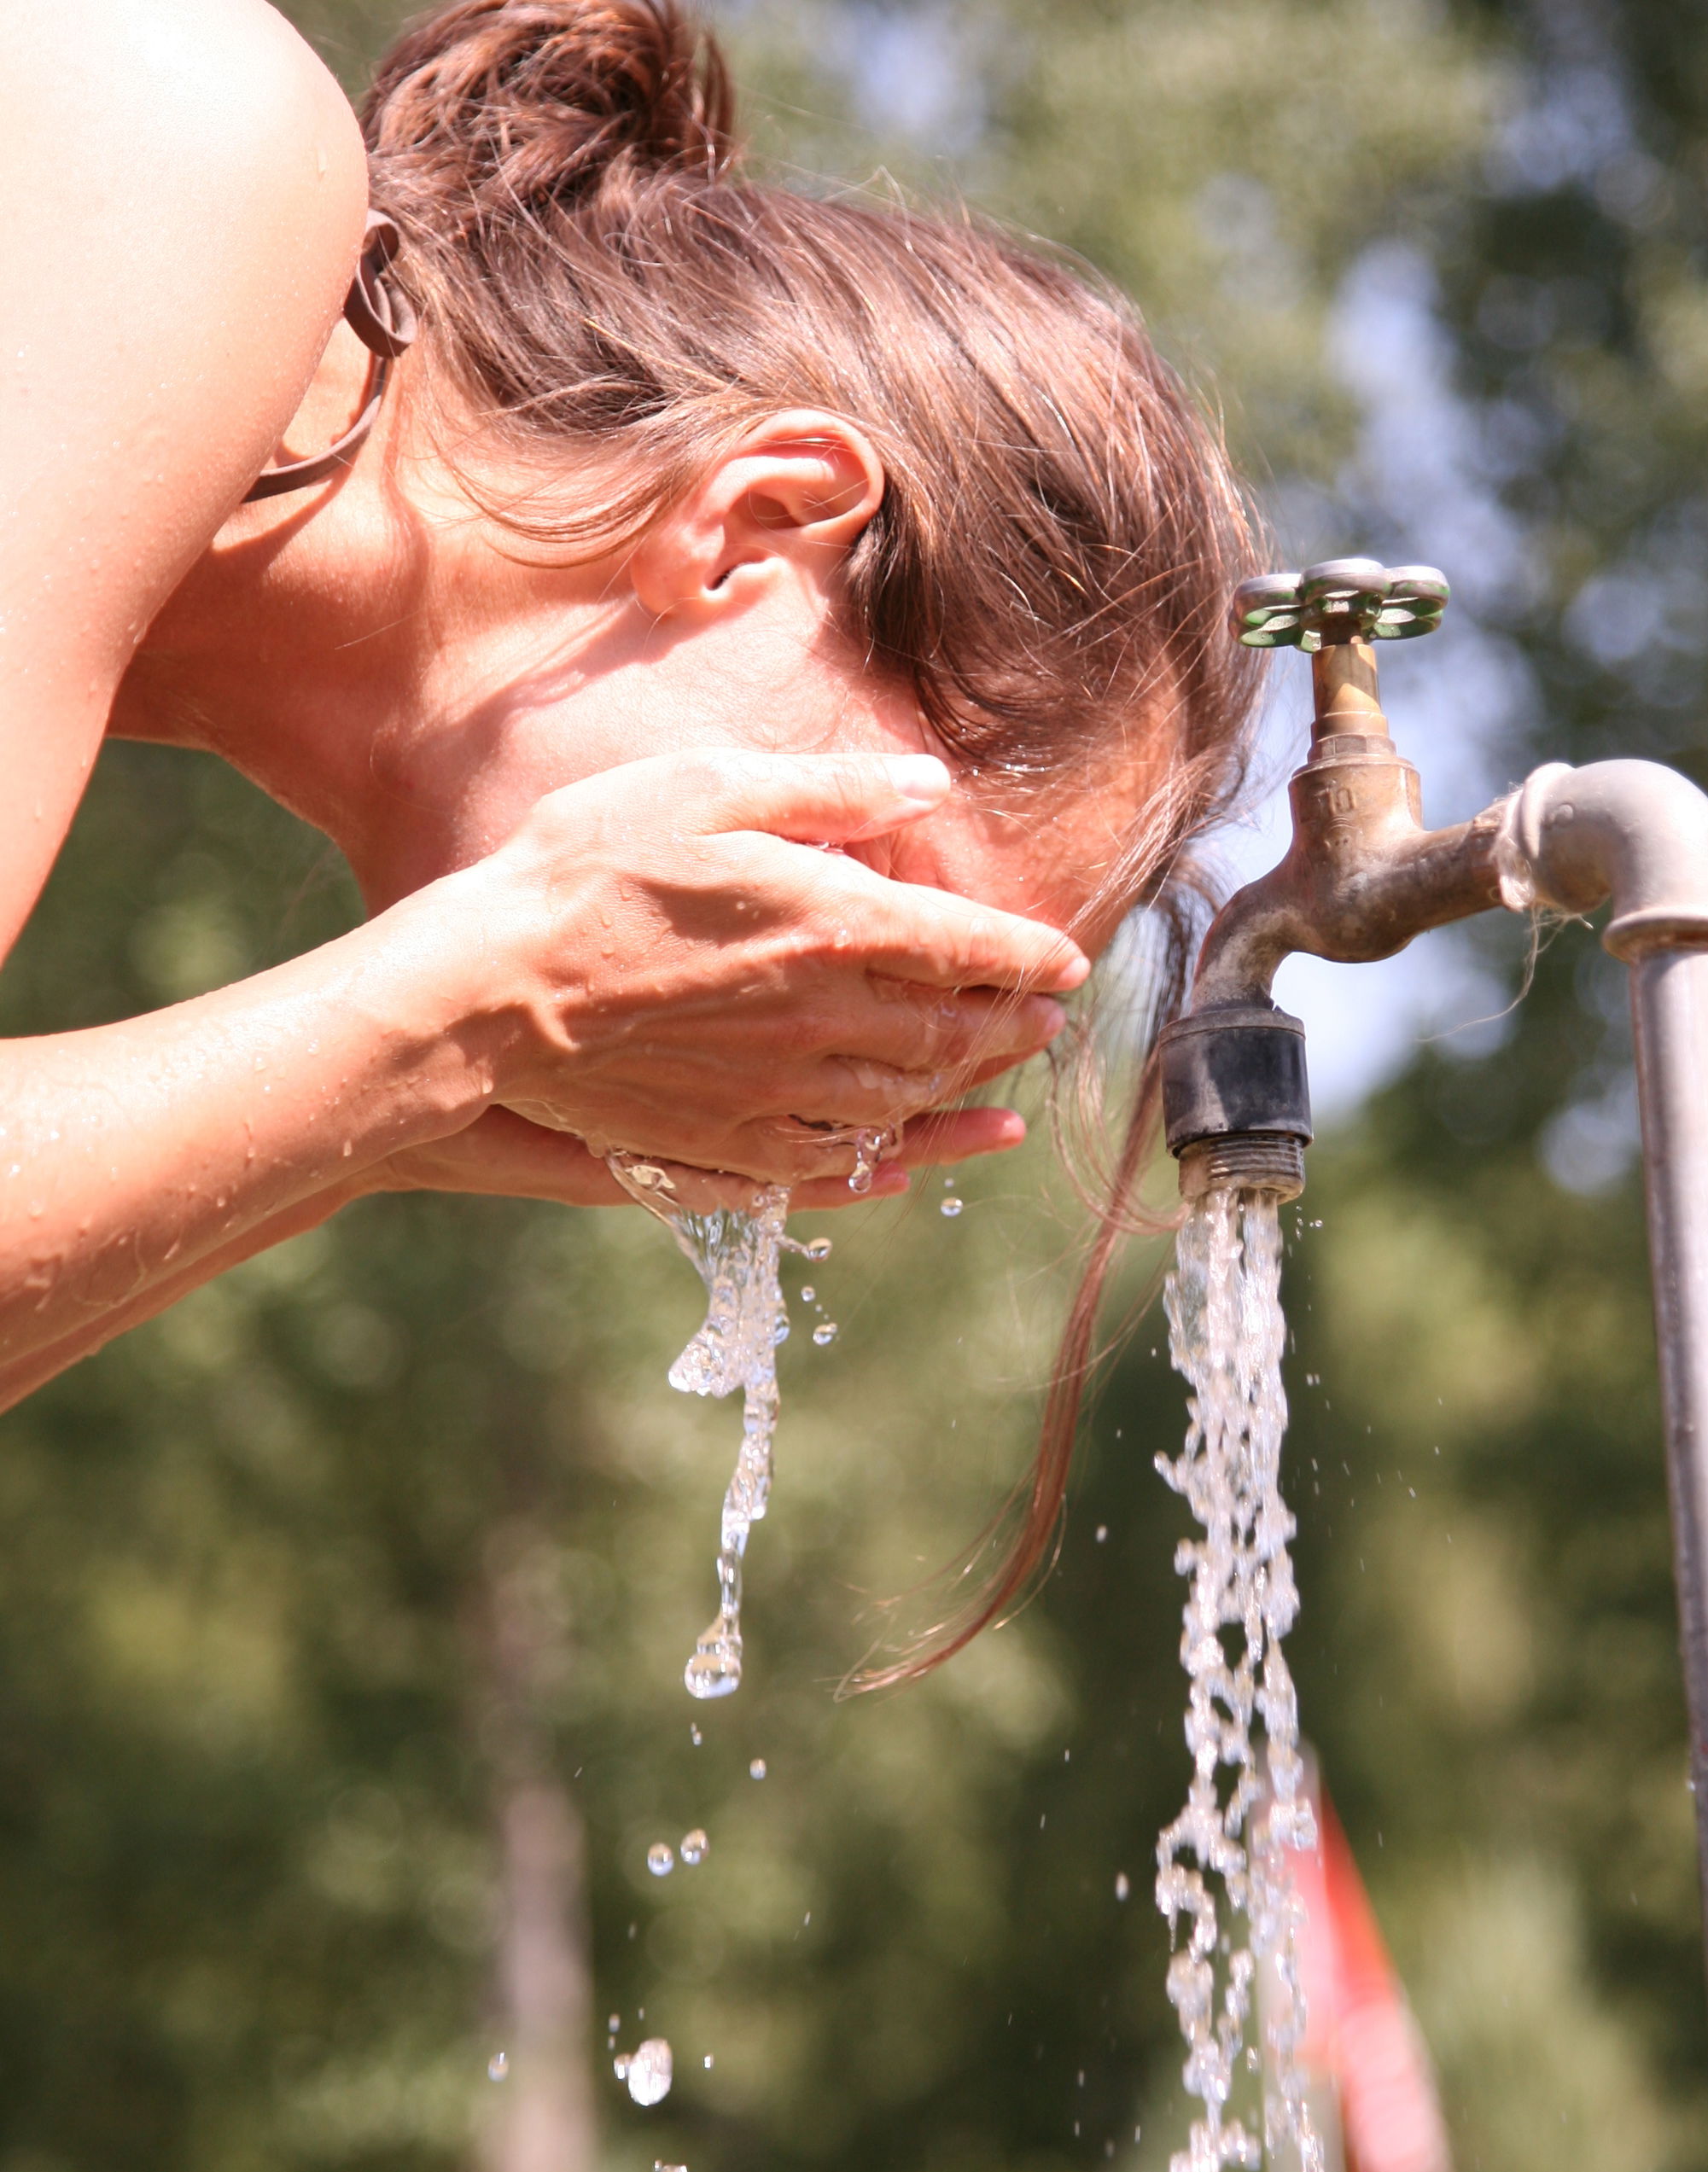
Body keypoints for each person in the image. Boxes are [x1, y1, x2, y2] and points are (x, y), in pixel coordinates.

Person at [0, 0, 1261, 1421]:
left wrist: (369, 1125)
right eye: (858, 893)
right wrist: (446, 1017)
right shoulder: (175, 142)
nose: (785, 1033)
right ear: (755, 526)